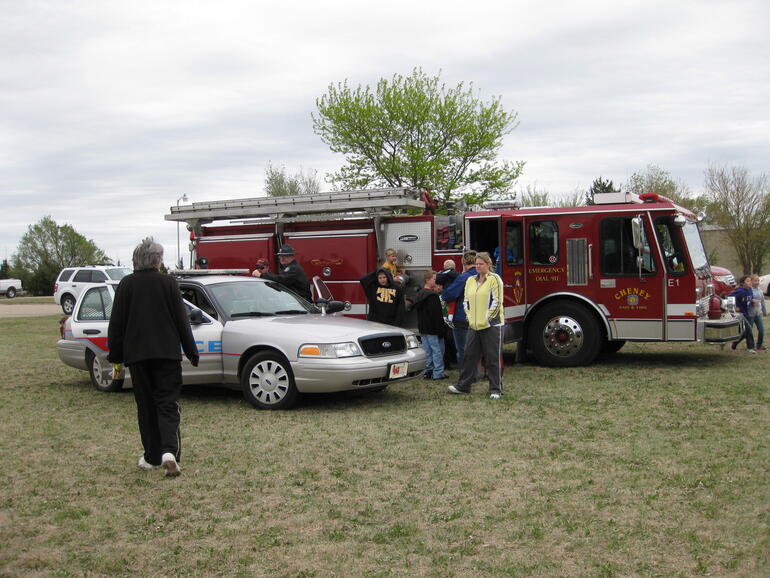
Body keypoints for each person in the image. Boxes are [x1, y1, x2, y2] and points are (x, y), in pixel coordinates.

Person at [107, 238, 199, 476]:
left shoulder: (126, 285)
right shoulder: (168, 283)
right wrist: (191, 351)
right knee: (168, 403)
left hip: (137, 356)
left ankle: (151, 457)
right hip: (167, 355)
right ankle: (170, 452)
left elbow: (117, 323)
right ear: (157, 260)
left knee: (146, 406)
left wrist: (115, 356)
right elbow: (182, 320)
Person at [447, 251, 505, 399]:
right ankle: (463, 386)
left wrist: (487, 319)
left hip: (492, 326)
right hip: (473, 325)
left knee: (492, 358)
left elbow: (497, 302)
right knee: (469, 356)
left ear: (488, 264)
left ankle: (495, 389)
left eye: (481, 264)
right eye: (477, 264)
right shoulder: (470, 280)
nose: (478, 266)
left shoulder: (495, 279)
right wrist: (470, 318)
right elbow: (466, 301)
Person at [440, 250, 477, 373]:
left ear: (464, 263)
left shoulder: (464, 277)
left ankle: (465, 377)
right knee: (475, 349)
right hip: (479, 318)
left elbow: (448, 294)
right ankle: (475, 375)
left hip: (462, 317)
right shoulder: (484, 275)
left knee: (463, 350)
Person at [413, 271, 447, 380]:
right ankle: (438, 373)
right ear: (427, 280)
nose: (435, 281)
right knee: (437, 350)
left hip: (423, 327)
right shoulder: (432, 296)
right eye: (433, 279)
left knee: (427, 351)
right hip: (433, 329)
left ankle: (427, 371)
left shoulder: (419, 294)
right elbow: (436, 315)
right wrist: (441, 330)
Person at [729, 275, 756, 353]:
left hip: (746, 313)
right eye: (747, 281)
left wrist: (753, 302)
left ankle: (734, 343)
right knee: (749, 329)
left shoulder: (750, 290)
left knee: (744, 333)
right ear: (742, 283)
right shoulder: (740, 291)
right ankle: (750, 348)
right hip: (740, 314)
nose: (750, 282)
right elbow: (729, 297)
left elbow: (749, 300)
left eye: (750, 280)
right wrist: (735, 306)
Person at [749, 274, 766, 351]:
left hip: (758, 314)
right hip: (750, 314)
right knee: (747, 331)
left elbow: (762, 302)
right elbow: (746, 301)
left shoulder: (760, 291)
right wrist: (751, 302)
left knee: (762, 330)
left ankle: (759, 345)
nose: (757, 282)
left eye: (758, 280)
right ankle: (736, 342)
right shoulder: (749, 290)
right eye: (755, 280)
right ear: (751, 281)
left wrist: (764, 312)